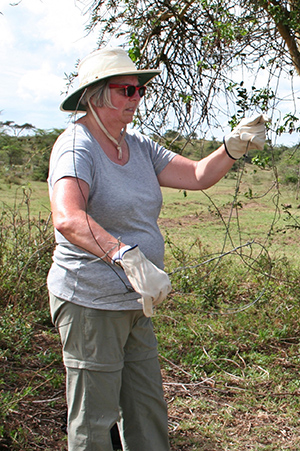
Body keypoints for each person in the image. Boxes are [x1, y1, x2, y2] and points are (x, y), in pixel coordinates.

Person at [47, 46, 269, 451]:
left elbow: (199, 176)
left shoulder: (139, 147)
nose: (136, 98)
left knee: (146, 409)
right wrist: (125, 255)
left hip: (136, 302)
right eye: (126, 90)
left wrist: (232, 147)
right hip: (91, 302)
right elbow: (67, 217)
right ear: (95, 96)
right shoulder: (77, 146)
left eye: (139, 90)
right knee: (94, 419)